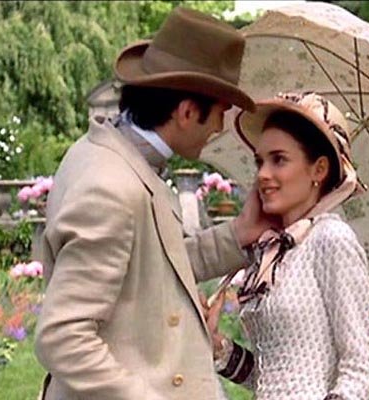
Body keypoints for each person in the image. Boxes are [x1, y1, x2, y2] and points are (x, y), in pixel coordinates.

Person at [33, 7, 278, 400]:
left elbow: (155, 264)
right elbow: (63, 338)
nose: (219, 128)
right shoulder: (111, 187)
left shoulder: (112, 155)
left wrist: (238, 234)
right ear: (187, 112)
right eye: (218, 114)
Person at [206, 92, 369, 400]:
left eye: (279, 160)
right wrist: (217, 346)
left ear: (319, 169)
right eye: (260, 161)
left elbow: (360, 365)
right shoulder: (271, 250)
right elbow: (272, 375)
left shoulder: (331, 239)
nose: (263, 174)